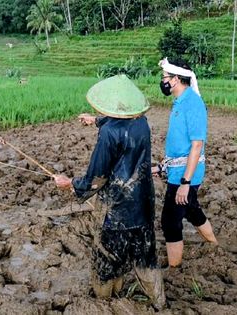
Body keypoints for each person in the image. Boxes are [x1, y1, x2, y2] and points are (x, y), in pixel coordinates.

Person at [53, 105, 165, 309]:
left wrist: (71, 183)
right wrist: (95, 120)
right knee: (146, 258)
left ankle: (104, 304)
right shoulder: (141, 121)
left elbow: (97, 176)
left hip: (116, 207)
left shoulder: (108, 133)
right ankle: (160, 303)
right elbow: (121, 124)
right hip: (143, 201)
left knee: (106, 258)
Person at [154, 58, 218, 268]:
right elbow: (179, 145)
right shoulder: (180, 101)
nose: (162, 81)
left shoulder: (193, 104)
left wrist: (185, 182)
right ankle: (213, 244)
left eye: (165, 77)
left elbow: (196, 145)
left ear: (176, 79)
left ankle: (174, 269)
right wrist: (162, 167)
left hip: (185, 175)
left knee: (170, 221)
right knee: (191, 210)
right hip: (177, 170)